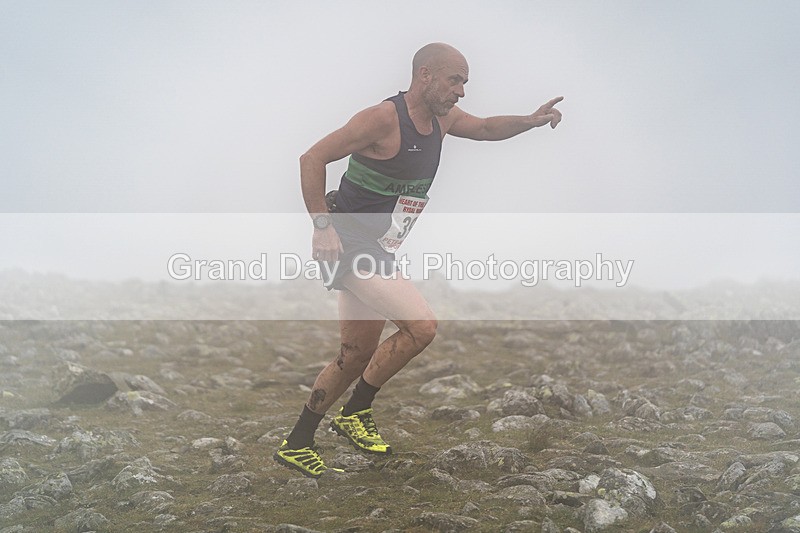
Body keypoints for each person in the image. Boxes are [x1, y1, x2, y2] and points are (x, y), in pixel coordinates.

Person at [273, 42, 563, 478]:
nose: (461, 91)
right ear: (425, 75)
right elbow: (312, 157)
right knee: (422, 326)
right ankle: (355, 413)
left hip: (379, 248)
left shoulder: (442, 121)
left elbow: (484, 128)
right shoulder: (382, 119)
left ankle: (296, 443)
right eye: (455, 80)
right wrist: (321, 227)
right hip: (351, 245)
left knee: (354, 356)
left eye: (465, 82)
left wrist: (531, 121)